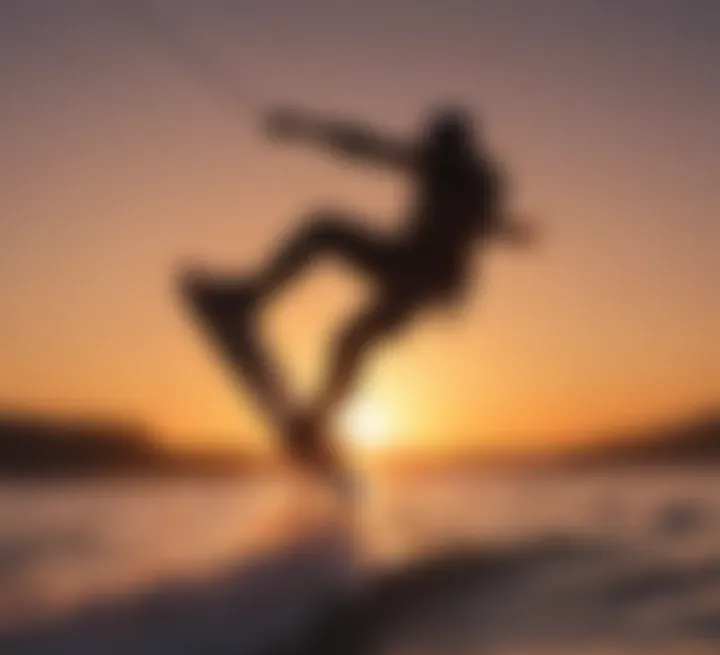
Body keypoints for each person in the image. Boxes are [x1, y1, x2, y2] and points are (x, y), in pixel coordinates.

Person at [182, 106, 535, 454]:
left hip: (430, 283)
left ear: (460, 151)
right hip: (403, 260)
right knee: (325, 234)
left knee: (352, 339)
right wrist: (304, 128)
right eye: (431, 151)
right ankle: (248, 302)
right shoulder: (431, 162)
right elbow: (365, 147)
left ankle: (315, 424)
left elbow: (474, 220)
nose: (429, 158)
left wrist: (502, 229)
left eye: (438, 153)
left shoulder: (480, 180)